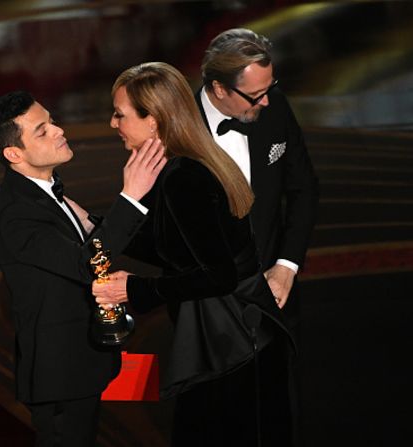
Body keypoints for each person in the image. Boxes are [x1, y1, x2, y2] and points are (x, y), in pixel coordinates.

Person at [91, 62, 295, 447]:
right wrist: (97, 222)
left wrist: (134, 290)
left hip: (230, 350)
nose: (112, 123)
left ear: (154, 121)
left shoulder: (184, 179)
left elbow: (218, 276)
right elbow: (180, 251)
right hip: (242, 341)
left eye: (120, 114)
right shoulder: (187, 167)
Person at [0, 90, 166, 447]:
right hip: (60, 374)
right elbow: (85, 265)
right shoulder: (16, 214)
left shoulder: (43, 193)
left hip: (79, 364)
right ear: (14, 154)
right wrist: (131, 198)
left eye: (51, 121)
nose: (59, 130)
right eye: (42, 130)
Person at [197, 28, 320, 446]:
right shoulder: (177, 125)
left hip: (274, 293)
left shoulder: (276, 107)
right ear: (218, 87)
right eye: (255, 95)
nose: (266, 101)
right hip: (205, 306)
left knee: (277, 412)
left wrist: (286, 267)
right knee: (212, 418)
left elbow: (303, 190)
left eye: (270, 89)